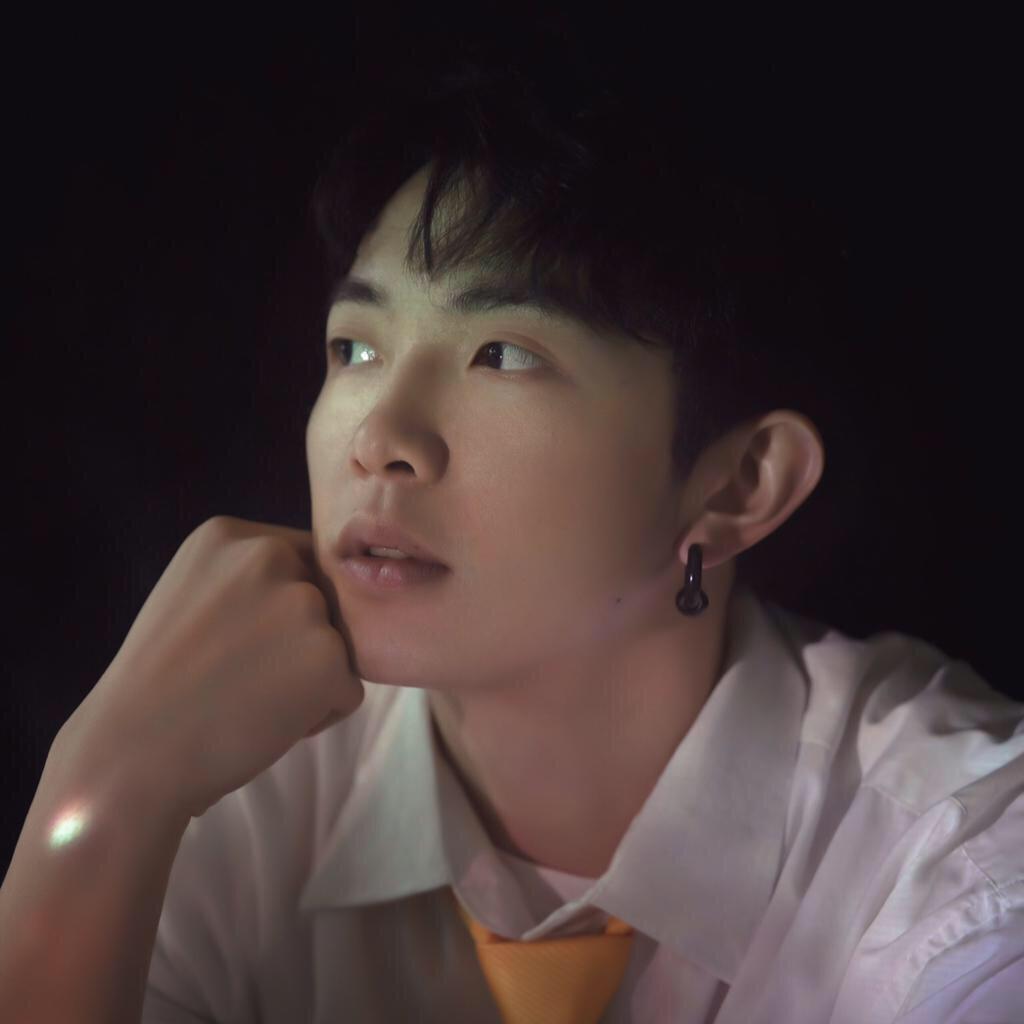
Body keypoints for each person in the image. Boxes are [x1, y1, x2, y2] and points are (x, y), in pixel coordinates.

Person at [3, 32, 1022, 1024]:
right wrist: (104, 795)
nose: (380, 440)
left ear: (738, 484)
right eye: (355, 348)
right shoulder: (219, 774)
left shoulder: (958, 850)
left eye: (502, 354)